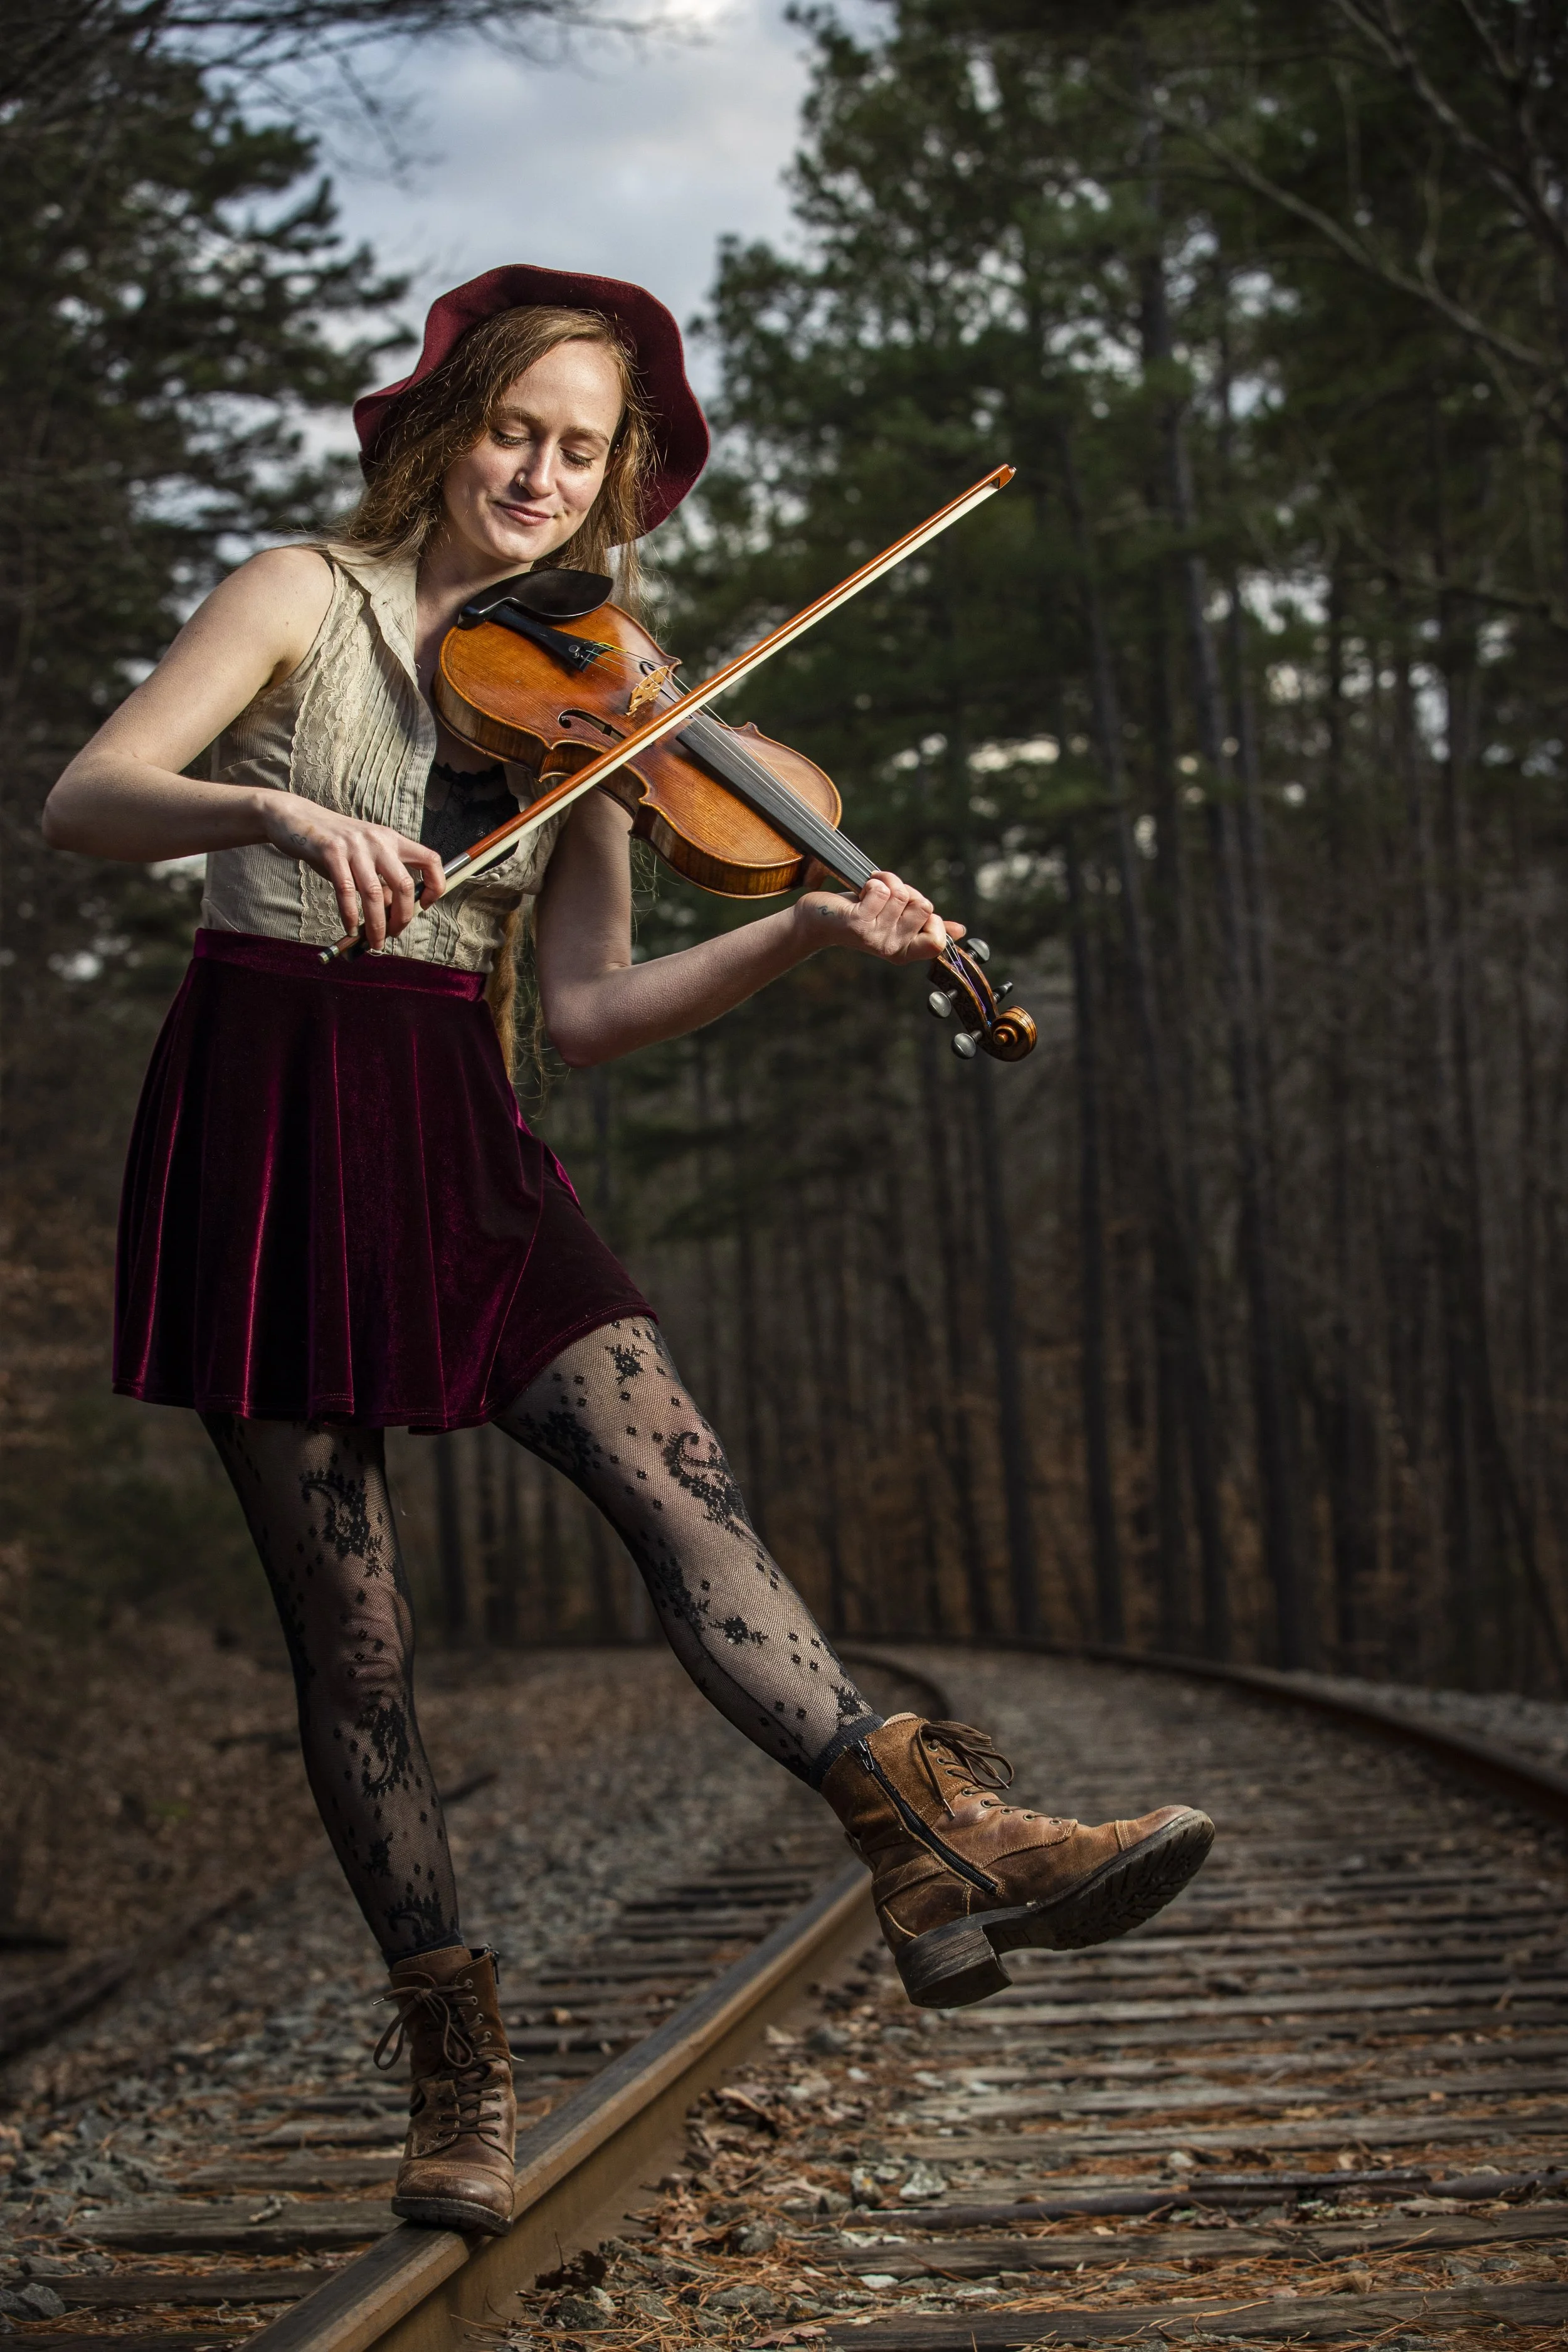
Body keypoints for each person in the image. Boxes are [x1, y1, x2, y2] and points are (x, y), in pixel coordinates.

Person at [43, 265, 1212, 2236]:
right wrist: (266, 803)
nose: (541, 473)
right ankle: (457, 2063)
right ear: (448, 422)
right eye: (517, 429)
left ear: (611, 486)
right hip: (266, 1105)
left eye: (582, 452)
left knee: (685, 1491)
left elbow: (582, 1004)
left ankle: (934, 1833)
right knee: (360, 1651)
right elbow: (85, 798)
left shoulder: (599, 672)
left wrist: (797, 932)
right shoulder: (296, 595)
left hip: (457, 1119)